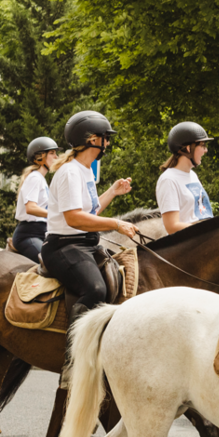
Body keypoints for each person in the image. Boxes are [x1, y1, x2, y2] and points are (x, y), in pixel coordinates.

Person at [44, 110, 138, 385]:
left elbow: (90, 212)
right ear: (92, 139)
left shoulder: (85, 171)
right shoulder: (70, 172)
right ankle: (72, 362)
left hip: (86, 243)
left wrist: (112, 192)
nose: (108, 143)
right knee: (95, 289)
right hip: (64, 246)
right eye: (105, 138)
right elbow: (74, 219)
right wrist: (116, 224)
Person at [155, 122, 215, 235]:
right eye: (202, 145)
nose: (205, 150)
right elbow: (172, 227)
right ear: (188, 148)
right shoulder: (168, 180)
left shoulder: (192, 175)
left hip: (204, 238)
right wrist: (206, 230)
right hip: (190, 242)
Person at [12, 136, 58, 263]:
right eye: (52, 153)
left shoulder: (41, 179)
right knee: (51, 263)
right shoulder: (35, 178)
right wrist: (56, 214)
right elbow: (30, 208)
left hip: (43, 232)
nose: (56, 157)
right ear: (40, 157)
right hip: (29, 235)